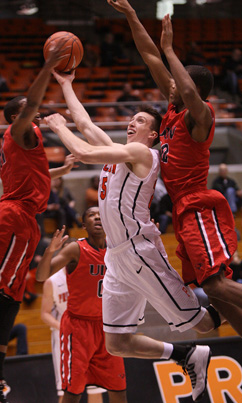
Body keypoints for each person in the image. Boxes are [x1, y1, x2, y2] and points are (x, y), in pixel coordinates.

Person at [43, 70, 227, 403]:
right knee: (117, 343)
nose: (131, 122)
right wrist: (67, 85)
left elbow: (82, 152)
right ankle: (185, 355)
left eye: (140, 120)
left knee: (203, 324)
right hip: (116, 257)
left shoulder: (144, 156)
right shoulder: (119, 151)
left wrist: (57, 126)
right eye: (131, 117)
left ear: (154, 135)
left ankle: (232, 298)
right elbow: (85, 126)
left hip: (140, 252)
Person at [106, 0, 242, 337]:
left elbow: (184, 85)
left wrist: (170, 48)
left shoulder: (201, 118)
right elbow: (150, 57)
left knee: (219, 286)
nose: (169, 86)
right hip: (182, 211)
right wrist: (133, 16)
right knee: (212, 291)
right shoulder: (170, 115)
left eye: (177, 85)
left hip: (199, 205)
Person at [0, 40, 76, 403]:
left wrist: (64, 168)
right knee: (2, 290)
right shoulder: (17, 133)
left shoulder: (30, 147)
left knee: (13, 295)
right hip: (14, 218)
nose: (42, 116)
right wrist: (48, 67)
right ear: (18, 118)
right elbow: (31, 103)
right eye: (35, 113)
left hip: (25, 223)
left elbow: (40, 176)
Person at [37, 208, 127, 403]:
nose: (96, 217)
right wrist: (49, 252)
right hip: (78, 328)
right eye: (91, 215)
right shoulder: (75, 249)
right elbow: (41, 276)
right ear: (84, 225)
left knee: (118, 390)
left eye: (100, 214)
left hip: (107, 327)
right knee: (72, 393)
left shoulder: (117, 249)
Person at [41, 250, 106, 403]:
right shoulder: (52, 281)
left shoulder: (92, 274)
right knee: (66, 391)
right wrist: (64, 327)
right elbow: (45, 313)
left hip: (91, 334)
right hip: (65, 339)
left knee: (95, 389)